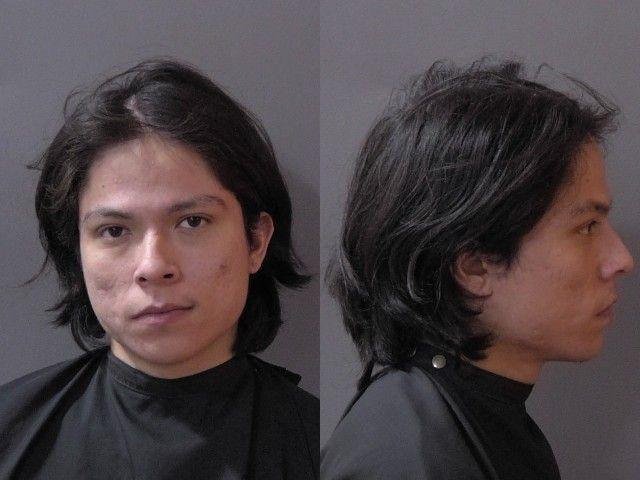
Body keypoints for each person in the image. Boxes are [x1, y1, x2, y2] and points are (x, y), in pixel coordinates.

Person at [0, 59, 318, 480]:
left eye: (192, 222)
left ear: (256, 241)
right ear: (76, 255)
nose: (153, 266)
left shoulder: (324, 447)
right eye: (114, 230)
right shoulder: (10, 434)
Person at [321, 59, 634, 479]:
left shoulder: (469, 416)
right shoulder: (407, 457)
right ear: (473, 266)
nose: (622, 260)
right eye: (587, 227)